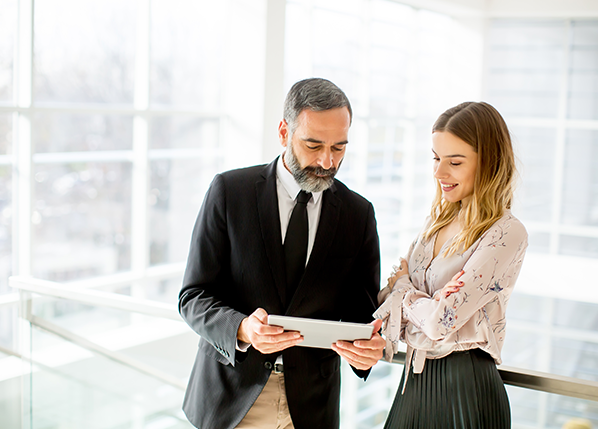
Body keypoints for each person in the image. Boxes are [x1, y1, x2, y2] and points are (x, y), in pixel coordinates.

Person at [179, 77, 385, 429]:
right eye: (313, 144)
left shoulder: (358, 214)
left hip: (310, 409)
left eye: (339, 148)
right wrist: (242, 328)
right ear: (283, 132)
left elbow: (361, 316)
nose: (326, 161)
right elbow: (193, 297)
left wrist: (368, 349)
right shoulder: (230, 192)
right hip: (231, 400)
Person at [374, 101, 528, 428]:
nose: (438, 173)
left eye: (454, 162)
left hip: (466, 386)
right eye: (436, 158)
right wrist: (410, 301)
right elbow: (386, 308)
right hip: (412, 383)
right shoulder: (435, 223)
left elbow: (438, 321)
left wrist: (403, 288)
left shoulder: (506, 233)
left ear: (489, 163)